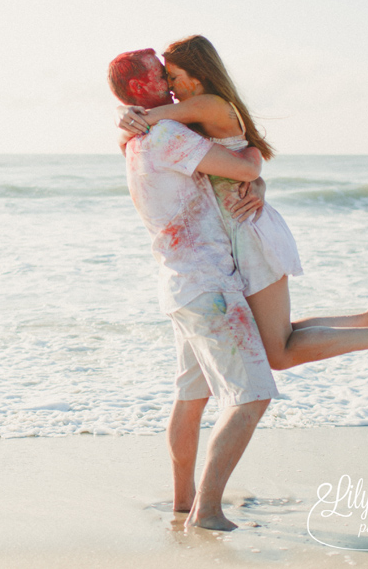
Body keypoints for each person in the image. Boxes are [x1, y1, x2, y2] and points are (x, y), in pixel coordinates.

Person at [112, 38, 368, 372]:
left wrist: (125, 116)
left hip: (251, 233)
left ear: (196, 75)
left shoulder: (207, 104)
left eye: (173, 76)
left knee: (278, 352)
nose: (170, 86)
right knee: (280, 337)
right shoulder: (197, 114)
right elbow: (228, 156)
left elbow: (150, 121)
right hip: (242, 230)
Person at [116, 94, 276, 530]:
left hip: (180, 285)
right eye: (159, 74)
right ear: (135, 85)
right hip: (209, 285)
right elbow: (244, 168)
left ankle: (183, 502)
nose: (169, 89)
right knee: (252, 395)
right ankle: (207, 511)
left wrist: (256, 185)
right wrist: (255, 163)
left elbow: (228, 181)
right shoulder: (164, 131)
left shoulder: (135, 139)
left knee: (191, 398)